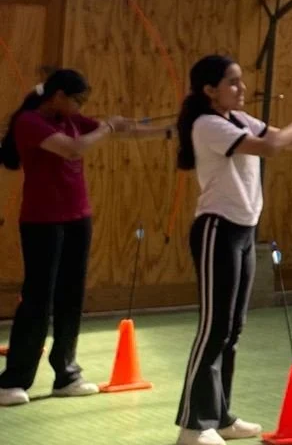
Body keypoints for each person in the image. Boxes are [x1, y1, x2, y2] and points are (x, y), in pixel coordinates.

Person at [174, 54, 292, 445]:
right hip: (216, 230)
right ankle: (192, 425)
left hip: (243, 231)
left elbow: (288, 141)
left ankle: (220, 417)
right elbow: (272, 146)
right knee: (213, 328)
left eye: (241, 81)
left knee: (232, 329)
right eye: (232, 82)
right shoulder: (208, 124)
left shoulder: (239, 119)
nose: (242, 88)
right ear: (209, 90)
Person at [0, 70, 171, 409]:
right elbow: (73, 150)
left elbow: (125, 131)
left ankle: (66, 374)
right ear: (58, 96)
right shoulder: (30, 122)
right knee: (38, 299)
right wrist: (108, 127)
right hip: (42, 221)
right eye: (77, 100)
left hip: (78, 218)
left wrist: (170, 130)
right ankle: (13, 380)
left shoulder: (71, 119)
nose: (80, 107)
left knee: (72, 296)